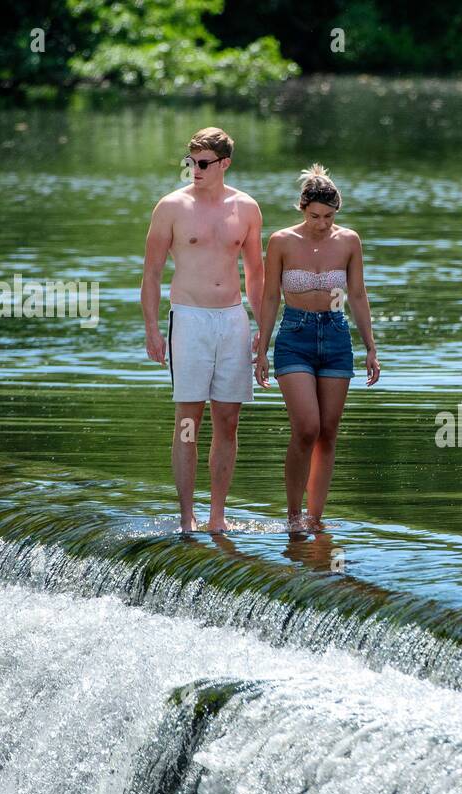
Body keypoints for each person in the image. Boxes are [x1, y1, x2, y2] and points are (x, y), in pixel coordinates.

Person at [141, 127, 264, 532]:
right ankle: (186, 517)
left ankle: (217, 516)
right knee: (188, 420)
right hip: (188, 318)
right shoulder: (171, 207)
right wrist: (152, 329)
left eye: (204, 163)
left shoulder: (246, 208)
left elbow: (256, 274)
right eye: (191, 161)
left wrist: (263, 326)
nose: (195, 169)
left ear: (224, 164)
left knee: (228, 419)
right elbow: (152, 273)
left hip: (232, 318)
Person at [254, 164, 380, 532]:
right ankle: (293, 517)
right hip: (294, 335)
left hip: (336, 336)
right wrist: (261, 348)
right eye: (314, 216)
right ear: (302, 208)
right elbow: (270, 297)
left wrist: (371, 348)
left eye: (328, 216)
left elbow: (357, 295)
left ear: (336, 211)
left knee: (328, 431)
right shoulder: (281, 241)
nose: (321, 223)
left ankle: (315, 520)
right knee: (307, 427)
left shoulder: (349, 241)